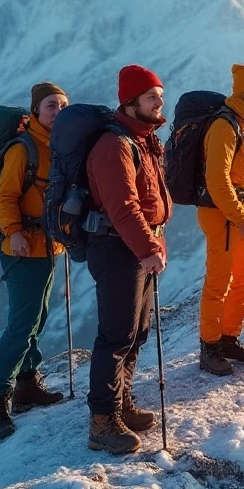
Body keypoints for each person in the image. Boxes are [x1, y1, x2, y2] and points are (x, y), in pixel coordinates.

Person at [85, 65, 172, 454]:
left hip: (139, 247)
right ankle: (102, 422)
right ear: (131, 102)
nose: (159, 102)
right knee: (116, 335)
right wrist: (149, 249)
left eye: (160, 95)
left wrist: (155, 244)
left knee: (137, 332)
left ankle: (121, 403)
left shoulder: (144, 140)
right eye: (152, 96)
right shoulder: (114, 146)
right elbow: (123, 208)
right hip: (117, 248)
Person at [0, 82, 69, 441]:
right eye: (52, 105)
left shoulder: (59, 146)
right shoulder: (24, 149)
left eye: (64, 105)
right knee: (21, 325)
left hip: (48, 246)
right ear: (35, 111)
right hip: (21, 248)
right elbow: (5, 196)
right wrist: (14, 231)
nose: (59, 111)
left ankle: (27, 385)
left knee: (37, 318)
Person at [197, 64, 244, 376]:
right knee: (219, 282)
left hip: (241, 213)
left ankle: (229, 338)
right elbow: (217, 180)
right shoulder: (225, 126)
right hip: (222, 215)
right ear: (242, 93)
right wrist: (240, 219)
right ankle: (209, 347)